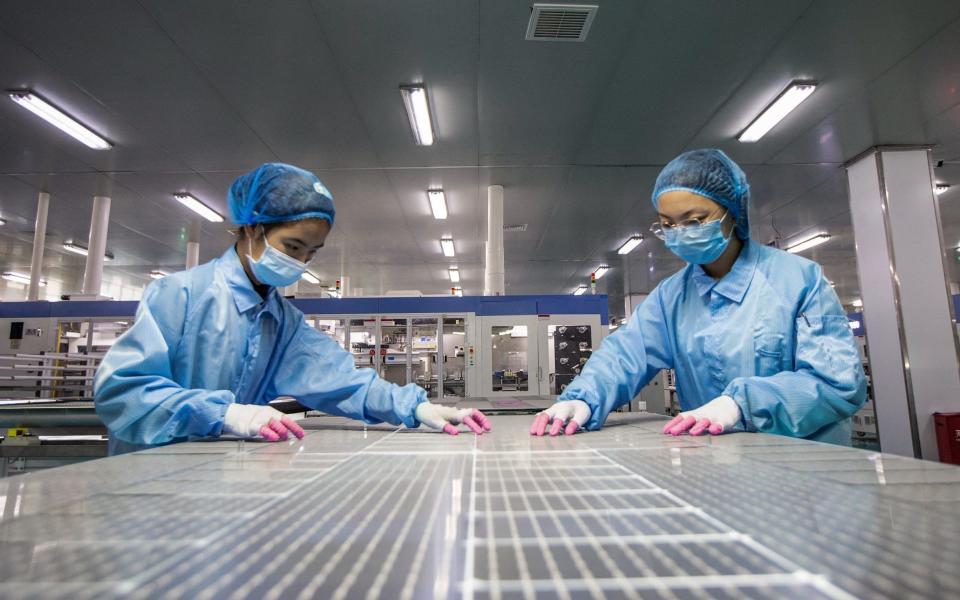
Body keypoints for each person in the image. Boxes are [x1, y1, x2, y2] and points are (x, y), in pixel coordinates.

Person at [95, 163, 490, 454]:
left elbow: (340, 380)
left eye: (311, 253)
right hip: (147, 474)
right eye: (293, 247)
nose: (301, 262)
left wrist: (416, 407)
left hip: (216, 473)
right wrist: (225, 414)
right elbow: (122, 392)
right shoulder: (179, 294)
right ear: (252, 228)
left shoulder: (280, 320)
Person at [530, 149, 866, 445]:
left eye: (694, 220)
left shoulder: (798, 281)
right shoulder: (670, 297)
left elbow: (836, 384)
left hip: (807, 473)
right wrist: (585, 398)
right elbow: (624, 355)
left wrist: (741, 404)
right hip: (716, 464)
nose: (681, 233)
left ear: (733, 213)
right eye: (668, 224)